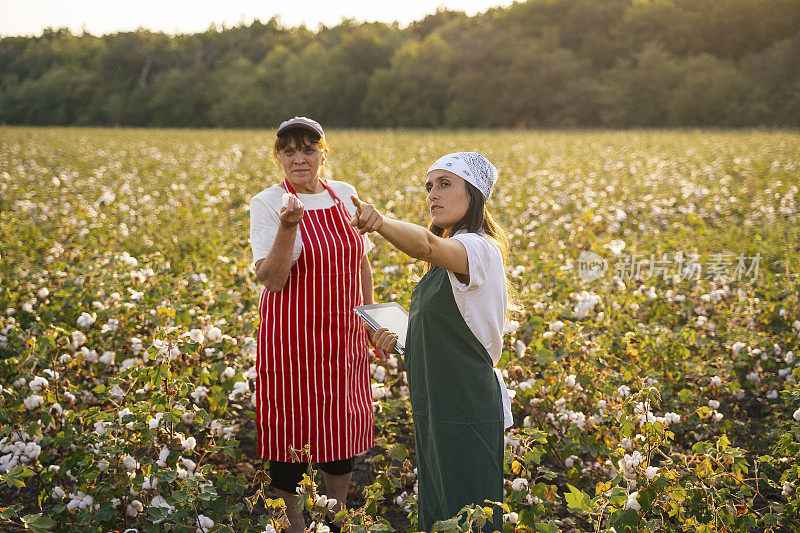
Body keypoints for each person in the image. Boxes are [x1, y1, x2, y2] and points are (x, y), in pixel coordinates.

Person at [351, 152, 513, 532]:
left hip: (465, 403)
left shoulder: (478, 247)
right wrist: (405, 340)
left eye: (445, 184)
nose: (433, 195)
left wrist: (379, 221)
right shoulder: (453, 255)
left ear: (474, 194)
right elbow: (451, 330)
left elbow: (425, 245)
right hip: (435, 402)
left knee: (469, 508)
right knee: (439, 508)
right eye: (429, 187)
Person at [249, 117, 379, 532]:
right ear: (278, 157)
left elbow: (361, 260)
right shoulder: (268, 202)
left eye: (308, 149)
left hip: (344, 334)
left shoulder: (345, 195)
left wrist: (371, 317)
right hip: (290, 338)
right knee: (289, 431)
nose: (299, 158)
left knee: (341, 428)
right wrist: (289, 226)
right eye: (289, 150)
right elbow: (273, 278)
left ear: (324, 153)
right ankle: (294, 521)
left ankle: (334, 515)